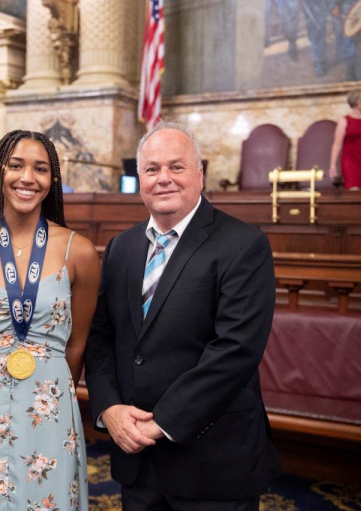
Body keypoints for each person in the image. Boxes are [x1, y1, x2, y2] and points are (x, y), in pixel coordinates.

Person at [85, 121, 281, 510]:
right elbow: (100, 336)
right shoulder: (120, 248)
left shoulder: (243, 244)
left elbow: (236, 349)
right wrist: (108, 408)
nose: (164, 179)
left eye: (177, 167)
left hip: (212, 459)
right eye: (152, 169)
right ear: (139, 178)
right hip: (136, 457)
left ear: (200, 175)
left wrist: (162, 423)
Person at [0, 130, 100, 510]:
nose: (27, 177)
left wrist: (48, 380)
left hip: (50, 405)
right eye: (16, 165)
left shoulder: (80, 252)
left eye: (40, 169)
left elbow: (77, 345)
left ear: (51, 180)